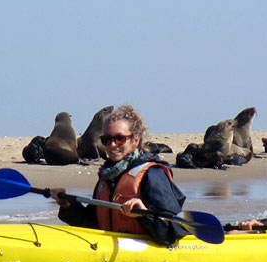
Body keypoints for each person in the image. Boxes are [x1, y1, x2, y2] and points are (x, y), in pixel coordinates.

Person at [51, 105, 188, 246]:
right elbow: (93, 222)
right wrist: (68, 205)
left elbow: (172, 232)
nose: (112, 145)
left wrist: (144, 214)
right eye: (106, 139)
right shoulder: (108, 176)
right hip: (113, 251)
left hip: (148, 256)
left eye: (119, 139)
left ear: (136, 140)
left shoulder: (153, 174)